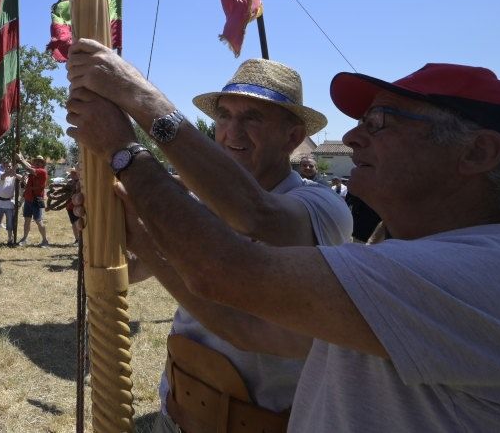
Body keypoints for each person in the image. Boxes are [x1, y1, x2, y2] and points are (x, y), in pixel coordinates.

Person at [69, 50, 500, 431]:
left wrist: (131, 135)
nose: (353, 138)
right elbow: (248, 325)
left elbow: (234, 258)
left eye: (380, 123)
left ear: (478, 151)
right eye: (224, 116)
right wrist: (124, 229)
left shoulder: (486, 277)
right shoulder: (414, 258)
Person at [67, 45, 352, 431]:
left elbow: (254, 223)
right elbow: (134, 270)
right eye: (224, 115)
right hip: (176, 413)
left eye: (252, 118)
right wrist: (104, 227)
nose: (232, 132)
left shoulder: (320, 206)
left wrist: (129, 130)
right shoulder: (197, 202)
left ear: (292, 137)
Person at [17, 154, 50, 247]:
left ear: (42, 164)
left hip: (36, 199)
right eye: (36, 161)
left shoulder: (42, 171)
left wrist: (20, 159)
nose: (37, 163)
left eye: (40, 162)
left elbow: (28, 168)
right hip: (28, 199)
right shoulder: (34, 168)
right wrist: (21, 157)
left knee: (38, 220)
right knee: (27, 220)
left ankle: (45, 240)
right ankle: (24, 238)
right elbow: (27, 165)